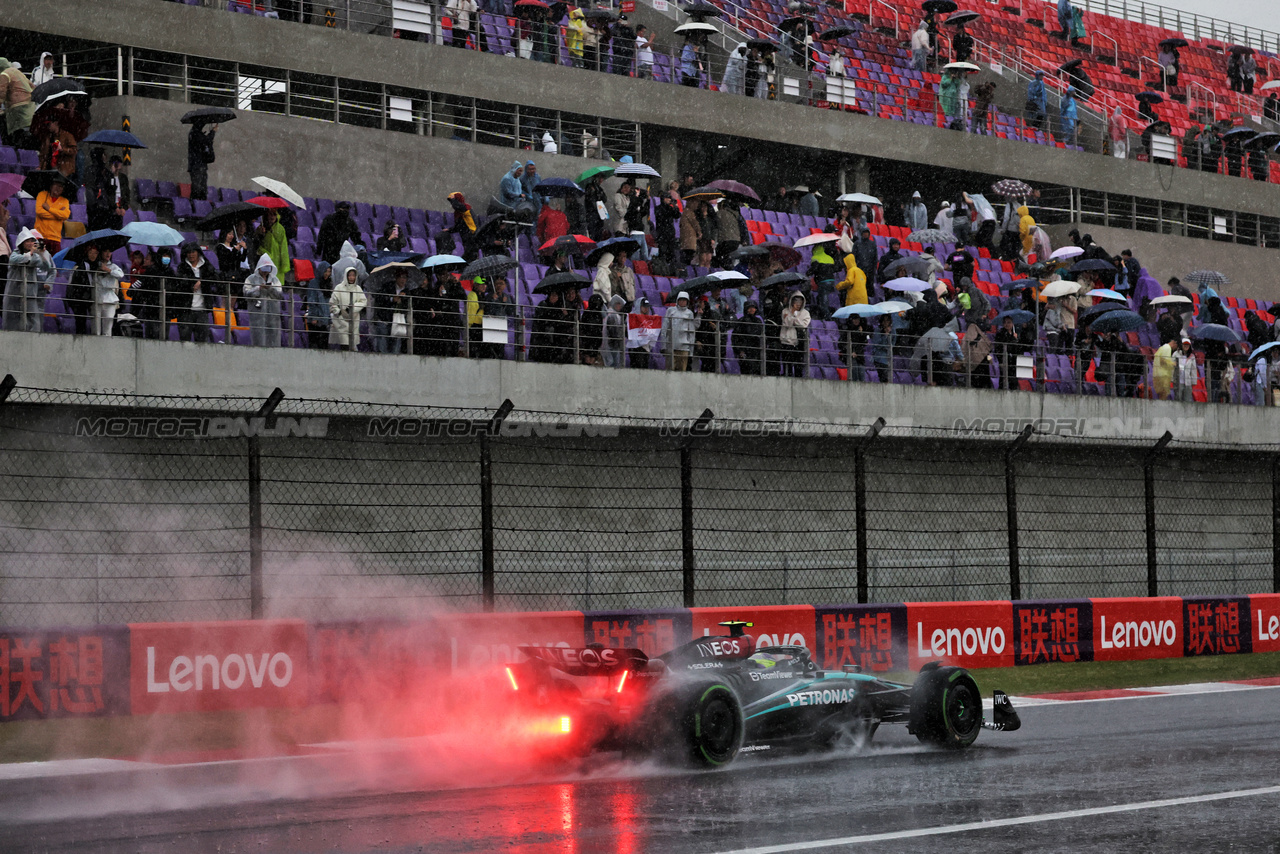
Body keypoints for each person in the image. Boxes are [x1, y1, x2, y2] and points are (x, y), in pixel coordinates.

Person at [2, 228, 52, 333]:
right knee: (12, 320)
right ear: (21, 242)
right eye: (27, 241)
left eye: (32, 241)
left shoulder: (36, 256)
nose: (30, 243)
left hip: (30, 293)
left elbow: (46, 267)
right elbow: (18, 260)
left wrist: (42, 254)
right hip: (14, 293)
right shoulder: (14, 255)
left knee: (33, 320)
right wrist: (31, 253)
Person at [172, 242, 212, 343]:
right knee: (185, 342)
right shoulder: (181, 267)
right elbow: (180, 282)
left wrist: (202, 281)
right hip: (185, 311)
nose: (191, 255)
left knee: (202, 343)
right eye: (188, 252)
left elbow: (216, 278)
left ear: (198, 252)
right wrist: (193, 283)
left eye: (193, 252)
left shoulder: (207, 266)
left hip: (202, 311)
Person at [243, 253, 283, 348]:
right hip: (257, 317)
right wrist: (258, 289)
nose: (265, 272)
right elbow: (246, 294)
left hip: (273, 316)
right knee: (258, 339)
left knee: (274, 339)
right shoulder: (250, 279)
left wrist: (270, 288)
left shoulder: (275, 280)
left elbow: (279, 295)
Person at [328, 266, 367, 352]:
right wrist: (339, 312)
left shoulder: (358, 288)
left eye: (353, 275)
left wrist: (353, 308)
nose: (351, 277)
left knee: (352, 344)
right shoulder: (339, 288)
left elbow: (363, 301)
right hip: (341, 320)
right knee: (344, 344)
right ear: (346, 276)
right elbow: (332, 303)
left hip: (354, 319)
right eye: (349, 275)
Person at [0, 58, 36, 149]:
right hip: (30, 109)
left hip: (17, 111)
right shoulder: (18, 73)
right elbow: (33, 87)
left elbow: (1, 92)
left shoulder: (4, 74)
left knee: (14, 138)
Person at [660, 291, 696, 371]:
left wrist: (691, 351)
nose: (682, 302)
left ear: (687, 302)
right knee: (670, 371)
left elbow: (691, 333)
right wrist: (663, 345)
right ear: (677, 300)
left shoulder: (689, 313)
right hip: (671, 346)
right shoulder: (670, 311)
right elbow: (664, 329)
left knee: (682, 373)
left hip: (684, 348)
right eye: (681, 300)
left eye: (684, 300)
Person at [34, 175, 70, 254]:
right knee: (38, 261)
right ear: (51, 186)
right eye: (56, 185)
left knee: (53, 263)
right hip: (40, 236)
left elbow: (65, 215)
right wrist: (58, 215)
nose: (58, 188)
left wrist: (49, 209)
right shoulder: (42, 195)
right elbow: (39, 212)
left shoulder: (65, 201)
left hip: (55, 239)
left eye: (61, 186)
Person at [779, 292, 811, 377]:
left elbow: (803, 325)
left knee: (798, 365)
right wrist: (792, 316)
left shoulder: (805, 313)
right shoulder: (785, 311)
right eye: (796, 301)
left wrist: (794, 318)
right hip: (786, 341)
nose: (798, 304)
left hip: (799, 342)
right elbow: (786, 324)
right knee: (787, 364)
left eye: (800, 302)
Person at [303, 260, 332, 350]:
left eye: (329, 271)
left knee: (324, 346)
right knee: (315, 345)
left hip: (324, 319)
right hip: (315, 320)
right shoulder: (314, 283)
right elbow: (312, 301)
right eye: (326, 271)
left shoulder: (328, 284)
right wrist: (314, 317)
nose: (327, 274)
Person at [257, 208, 291, 282]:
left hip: (277, 261)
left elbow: (284, 247)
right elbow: (257, 244)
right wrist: (260, 234)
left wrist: (284, 264)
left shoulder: (281, 229)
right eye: (270, 214)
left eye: (274, 214)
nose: (272, 217)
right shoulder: (260, 228)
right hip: (265, 261)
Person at [187, 122, 217, 201]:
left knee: (202, 189)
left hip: (200, 165)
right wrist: (213, 132)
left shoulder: (196, 133)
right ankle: (195, 206)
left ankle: (199, 204)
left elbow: (205, 141)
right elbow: (206, 141)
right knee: (197, 189)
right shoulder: (195, 133)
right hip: (197, 165)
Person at [1173, 337, 1198, 401]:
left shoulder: (1192, 356)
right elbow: (1172, 367)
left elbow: (1193, 369)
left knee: (1187, 400)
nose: (1186, 346)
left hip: (1188, 382)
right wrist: (1172, 379)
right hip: (1178, 381)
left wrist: (1194, 381)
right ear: (1181, 345)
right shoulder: (1176, 354)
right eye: (1184, 345)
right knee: (1178, 399)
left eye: (1187, 345)